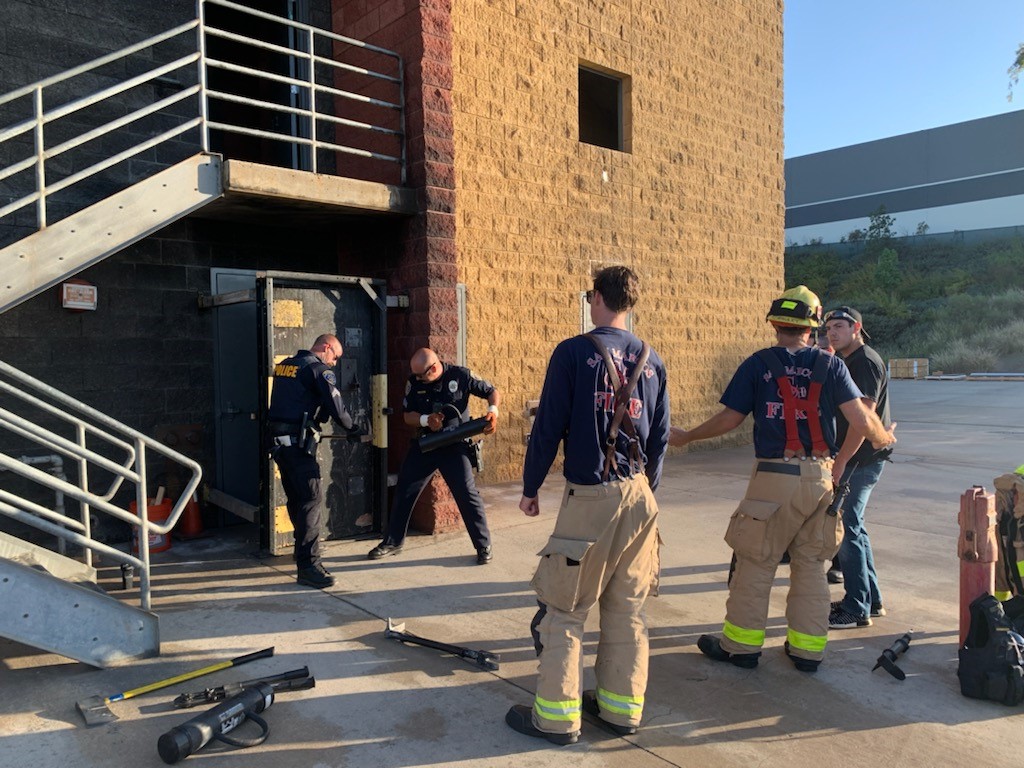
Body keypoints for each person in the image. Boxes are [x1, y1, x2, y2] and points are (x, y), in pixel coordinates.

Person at [670, 286, 895, 673]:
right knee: (810, 565)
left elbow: (730, 419)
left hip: (773, 479)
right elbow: (862, 420)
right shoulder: (833, 365)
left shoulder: (758, 364)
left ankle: (741, 647)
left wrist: (687, 435)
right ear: (813, 326)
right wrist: (885, 437)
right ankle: (807, 651)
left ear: (775, 323)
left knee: (756, 563)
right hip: (819, 480)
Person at [505, 266, 670, 746]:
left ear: (597, 298)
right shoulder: (652, 359)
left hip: (591, 495)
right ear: (630, 304)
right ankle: (621, 712)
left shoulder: (575, 352)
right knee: (628, 607)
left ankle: (556, 719)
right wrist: (649, 492)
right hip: (640, 495)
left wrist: (530, 486)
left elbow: (548, 425)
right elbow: (659, 437)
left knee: (565, 608)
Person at [367, 348, 499, 564]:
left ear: (434, 368)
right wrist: (426, 420)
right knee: (405, 488)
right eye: (415, 375)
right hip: (426, 444)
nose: (417, 379)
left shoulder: (461, 375)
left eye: (421, 375)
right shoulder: (414, 382)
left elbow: (492, 391)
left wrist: (493, 411)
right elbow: (407, 416)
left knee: (467, 493)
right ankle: (393, 542)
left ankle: (483, 545)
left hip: (455, 445)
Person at [267, 334, 360, 589]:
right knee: (311, 500)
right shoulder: (317, 369)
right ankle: (309, 566)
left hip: (280, 446)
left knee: (297, 500)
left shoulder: (285, 365)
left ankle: (301, 553)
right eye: (335, 357)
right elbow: (336, 406)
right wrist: (353, 429)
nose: (334, 363)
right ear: (326, 347)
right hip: (298, 447)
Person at [825, 306, 893, 629]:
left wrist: (841, 461)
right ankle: (872, 600)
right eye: (829, 328)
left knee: (848, 529)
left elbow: (862, 421)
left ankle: (856, 607)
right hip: (860, 458)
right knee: (857, 527)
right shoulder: (847, 360)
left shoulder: (864, 362)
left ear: (857, 328)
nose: (832, 333)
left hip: (860, 459)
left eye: (839, 326)